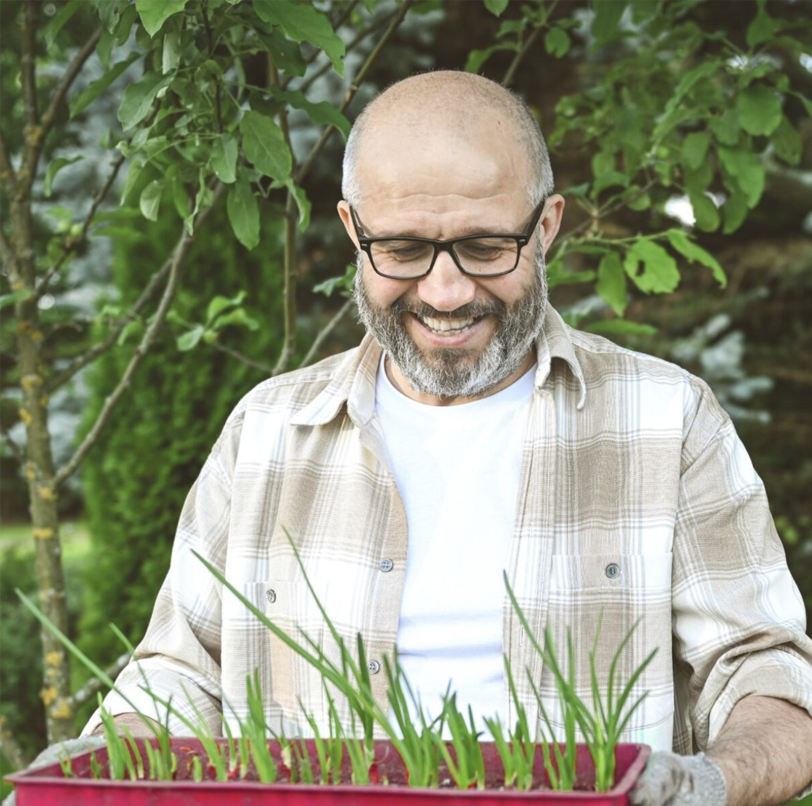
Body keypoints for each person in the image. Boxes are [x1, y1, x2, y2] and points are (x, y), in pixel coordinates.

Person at [74, 71, 811, 805]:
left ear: (546, 226)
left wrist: (709, 784)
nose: (445, 292)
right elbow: (180, 675)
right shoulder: (266, 432)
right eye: (402, 249)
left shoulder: (667, 420)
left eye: (485, 246)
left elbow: (765, 669)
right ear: (353, 231)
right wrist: (93, 766)